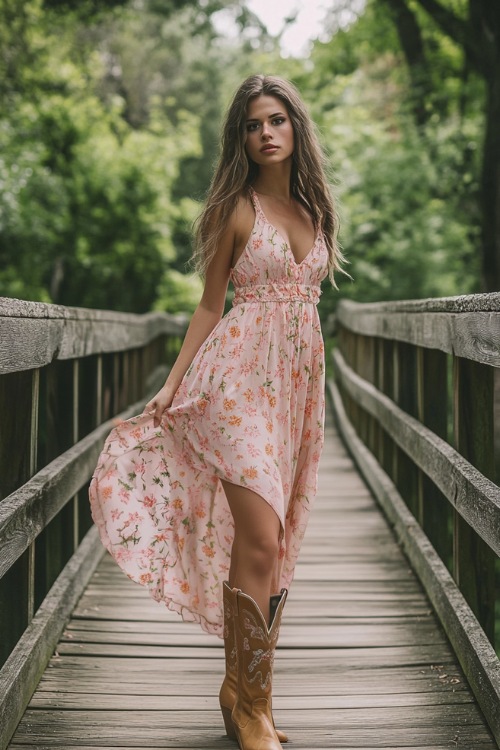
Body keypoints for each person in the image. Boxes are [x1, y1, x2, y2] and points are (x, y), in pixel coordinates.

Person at [89, 73, 345, 750]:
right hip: (235, 385)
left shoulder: (316, 213)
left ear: (296, 128)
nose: (265, 133)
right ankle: (255, 709)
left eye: (276, 120)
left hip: (294, 391)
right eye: (252, 124)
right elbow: (210, 305)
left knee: (273, 542)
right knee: (259, 538)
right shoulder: (236, 209)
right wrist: (172, 387)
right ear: (241, 137)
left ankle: (240, 691)